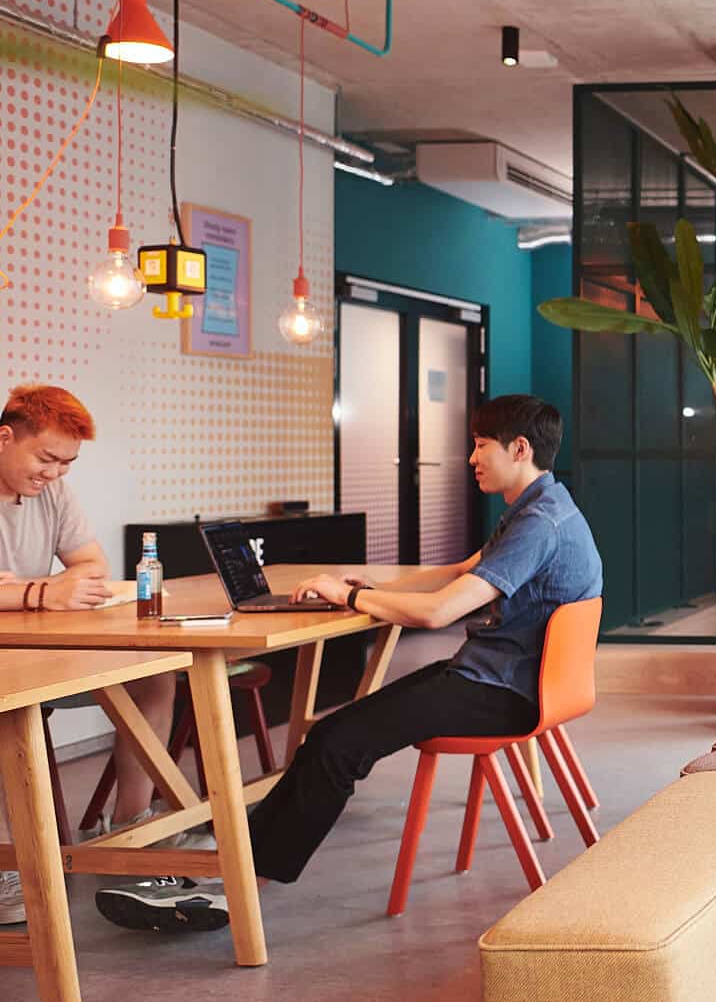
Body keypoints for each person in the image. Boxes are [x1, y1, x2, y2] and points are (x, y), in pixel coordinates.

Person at [94, 394, 603, 933]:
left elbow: (439, 612)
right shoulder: (543, 508)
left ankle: (236, 888)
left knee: (337, 743)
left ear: (519, 448)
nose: (471, 458)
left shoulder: (536, 524)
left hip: (503, 693)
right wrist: (365, 586)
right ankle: (236, 850)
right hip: (504, 680)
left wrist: (353, 599)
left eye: (480, 446)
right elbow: (458, 571)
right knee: (335, 735)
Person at [0, 386, 179, 928]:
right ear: (5, 437)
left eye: (67, 463)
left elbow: (92, 567)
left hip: (37, 651)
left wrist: (27, 590)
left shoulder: (51, 493)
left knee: (154, 677)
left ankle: (129, 828)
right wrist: (40, 593)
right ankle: (9, 863)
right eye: (47, 458)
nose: (55, 473)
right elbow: (60, 582)